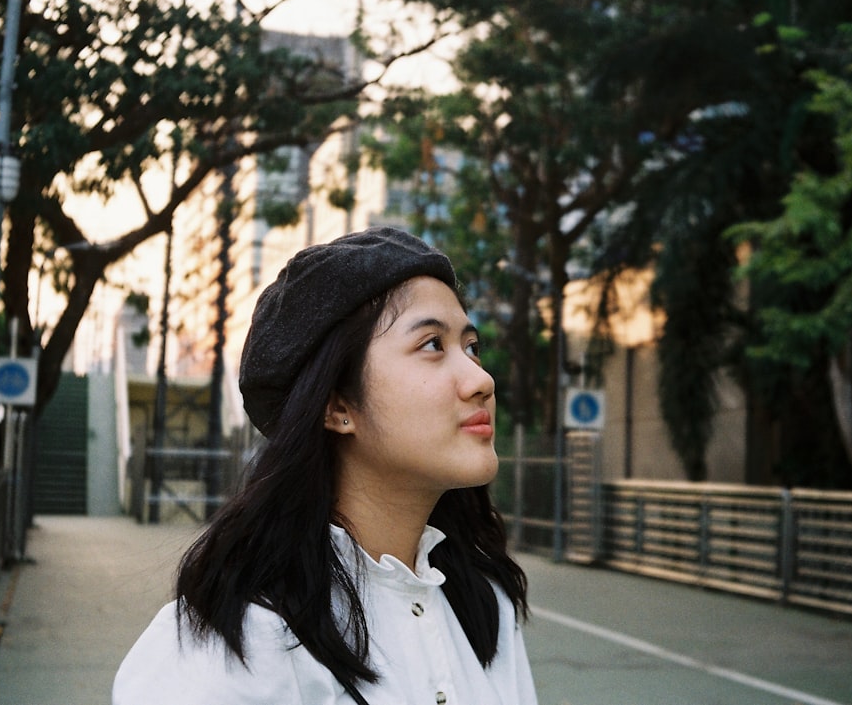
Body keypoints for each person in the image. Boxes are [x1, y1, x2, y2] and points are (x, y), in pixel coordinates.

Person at [113, 227, 538, 705]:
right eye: (432, 345)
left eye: (471, 347)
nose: (480, 379)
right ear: (337, 405)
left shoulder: (483, 606)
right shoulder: (241, 640)